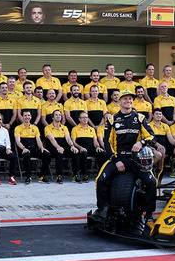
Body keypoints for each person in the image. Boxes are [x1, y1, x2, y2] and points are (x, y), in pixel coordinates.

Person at [94, 90, 157, 221]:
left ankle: (149, 213)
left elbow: (151, 136)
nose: (128, 101)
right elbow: (107, 142)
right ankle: (103, 208)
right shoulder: (112, 119)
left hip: (136, 159)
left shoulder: (140, 118)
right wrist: (116, 160)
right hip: (118, 157)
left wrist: (141, 142)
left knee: (151, 182)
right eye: (125, 99)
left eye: (130, 99)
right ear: (119, 101)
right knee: (100, 180)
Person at [14, 110, 51, 184]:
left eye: (28, 115)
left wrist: (42, 148)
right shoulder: (18, 128)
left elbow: (38, 140)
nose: (27, 117)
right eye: (25, 115)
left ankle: (42, 176)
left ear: (31, 117)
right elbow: (18, 141)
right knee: (26, 155)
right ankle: (28, 176)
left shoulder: (35, 128)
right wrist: (24, 148)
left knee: (47, 155)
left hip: (34, 148)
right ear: (22, 117)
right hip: (24, 148)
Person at [44, 110, 79, 184]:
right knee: (59, 153)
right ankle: (59, 175)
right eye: (56, 115)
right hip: (53, 146)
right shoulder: (48, 128)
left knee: (74, 152)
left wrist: (72, 146)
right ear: (53, 117)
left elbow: (68, 138)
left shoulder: (64, 127)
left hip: (63, 145)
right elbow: (51, 139)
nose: (58, 116)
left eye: (59, 115)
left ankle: (75, 175)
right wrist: (58, 147)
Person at [71, 111, 105, 182]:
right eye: (83, 118)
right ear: (79, 119)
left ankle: (101, 174)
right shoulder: (75, 129)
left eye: (86, 117)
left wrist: (98, 147)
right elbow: (73, 142)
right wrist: (80, 147)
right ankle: (84, 174)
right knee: (83, 153)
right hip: (81, 147)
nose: (85, 119)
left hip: (91, 147)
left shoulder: (91, 129)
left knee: (102, 153)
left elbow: (95, 141)